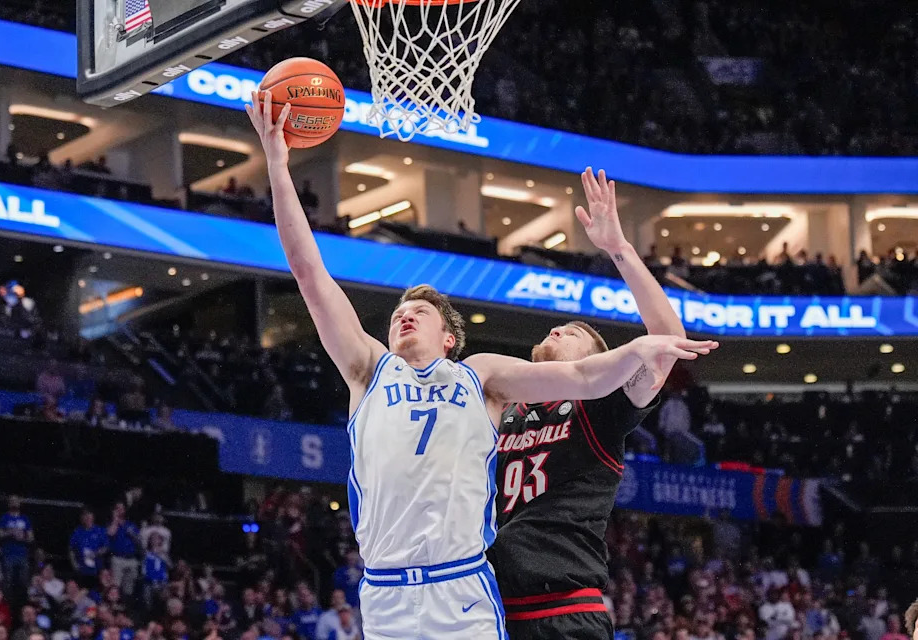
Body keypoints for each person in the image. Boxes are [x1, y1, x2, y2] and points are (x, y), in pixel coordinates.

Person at [246, 96, 717, 639]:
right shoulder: (370, 370)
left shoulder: (485, 377)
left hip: (490, 591)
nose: (404, 316)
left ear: (450, 338)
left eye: (419, 312)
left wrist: (633, 334)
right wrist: (279, 167)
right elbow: (308, 272)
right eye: (399, 313)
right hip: (400, 591)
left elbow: (605, 371)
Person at [487, 168, 692, 640]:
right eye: (556, 328)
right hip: (490, 606)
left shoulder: (598, 409)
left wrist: (618, 248)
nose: (558, 328)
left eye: (576, 332)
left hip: (563, 606)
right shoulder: (502, 406)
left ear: (601, 362)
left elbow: (667, 342)